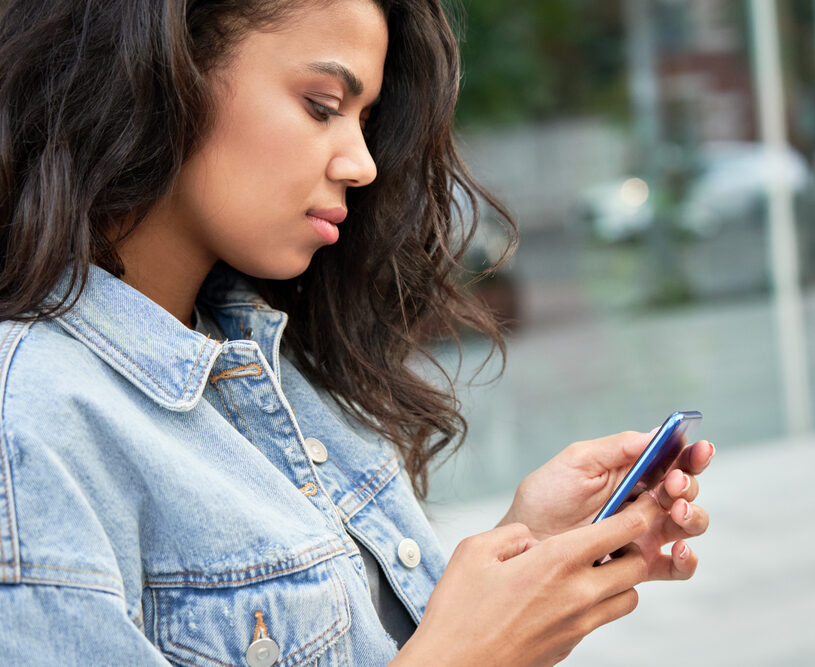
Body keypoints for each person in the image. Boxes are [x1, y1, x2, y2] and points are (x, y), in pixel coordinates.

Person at [0, 0, 714, 665]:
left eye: (365, 121)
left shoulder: (269, 367)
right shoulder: (28, 419)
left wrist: (525, 556)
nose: (362, 163)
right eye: (322, 106)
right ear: (164, 71)